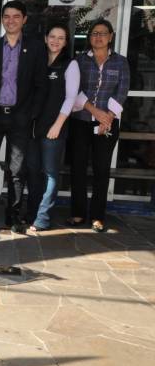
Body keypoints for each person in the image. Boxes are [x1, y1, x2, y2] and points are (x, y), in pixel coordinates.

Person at [0, 0, 47, 234]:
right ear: (2, 19)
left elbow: (40, 85)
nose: (11, 20)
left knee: (17, 171)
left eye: (16, 16)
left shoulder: (35, 48)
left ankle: (13, 216)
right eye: (7, 16)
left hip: (20, 118)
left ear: (24, 19)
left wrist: (31, 114)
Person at [69, 19, 130, 233]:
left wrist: (108, 117)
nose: (98, 37)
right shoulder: (79, 61)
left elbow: (122, 91)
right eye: (94, 33)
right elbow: (73, 90)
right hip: (81, 122)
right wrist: (96, 112)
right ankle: (77, 212)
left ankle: (97, 216)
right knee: (77, 167)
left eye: (103, 33)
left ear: (111, 36)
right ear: (89, 37)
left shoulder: (121, 62)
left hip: (108, 124)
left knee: (101, 170)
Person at [25, 24, 79, 232]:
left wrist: (58, 124)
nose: (56, 41)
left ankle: (42, 218)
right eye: (52, 36)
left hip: (54, 127)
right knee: (33, 171)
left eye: (61, 37)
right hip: (33, 127)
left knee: (50, 174)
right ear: (46, 38)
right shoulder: (38, 62)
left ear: (66, 42)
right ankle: (32, 214)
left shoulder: (70, 64)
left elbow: (71, 98)